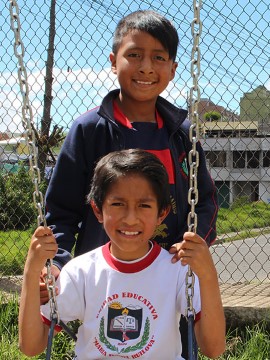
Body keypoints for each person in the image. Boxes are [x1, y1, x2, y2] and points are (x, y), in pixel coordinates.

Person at [41, 10, 218, 357]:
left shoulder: (181, 135)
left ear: (172, 69)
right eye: (134, 55)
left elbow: (205, 200)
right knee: (111, 343)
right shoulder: (89, 131)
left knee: (168, 341)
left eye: (158, 58)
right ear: (113, 60)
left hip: (167, 275)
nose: (146, 68)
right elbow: (59, 209)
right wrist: (57, 263)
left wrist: (196, 249)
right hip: (109, 275)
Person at [20, 149, 226, 359]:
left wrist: (208, 275)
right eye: (118, 204)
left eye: (144, 205)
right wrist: (31, 271)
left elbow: (213, 349)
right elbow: (31, 346)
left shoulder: (176, 270)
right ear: (98, 210)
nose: (130, 218)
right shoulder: (80, 271)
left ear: (161, 213)